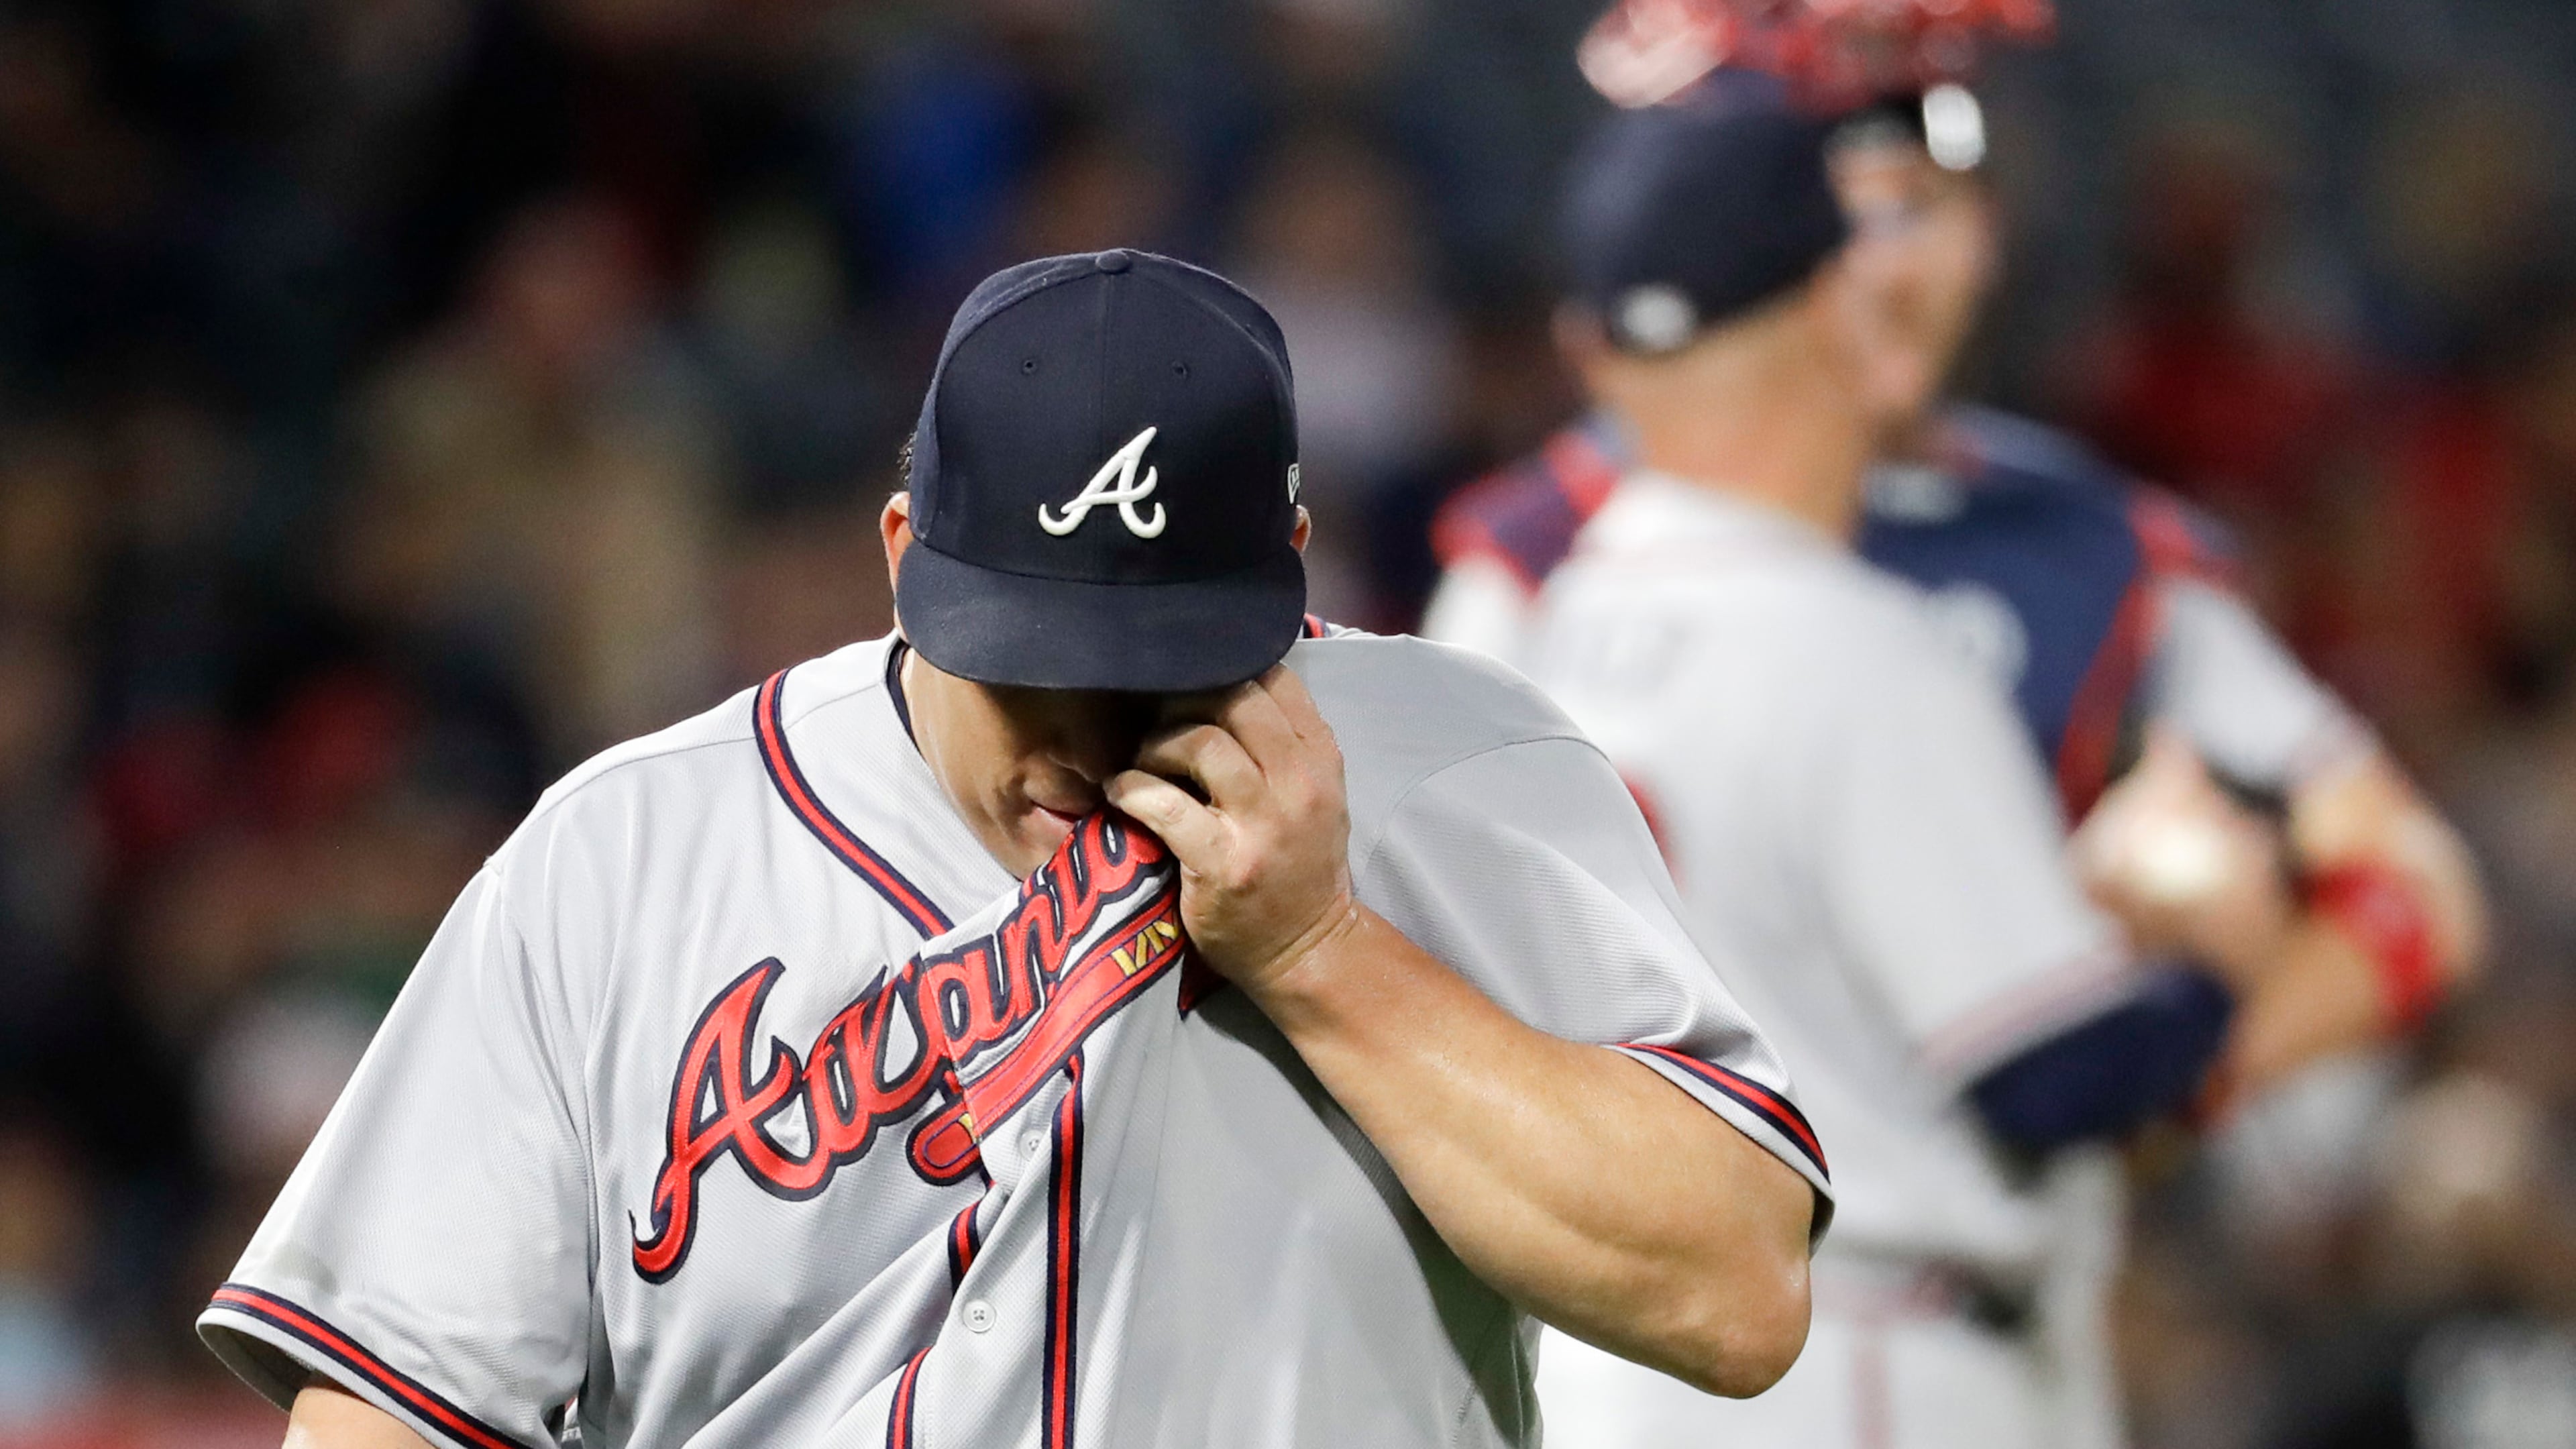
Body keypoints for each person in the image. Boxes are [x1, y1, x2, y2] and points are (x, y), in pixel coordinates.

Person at [196, 249, 1828, 1449]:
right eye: (1027, 657)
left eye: (1162, 662)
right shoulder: (628, 859)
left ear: (1292, 575)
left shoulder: (1468, 774)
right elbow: (393, 1409)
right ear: (904, 553)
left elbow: (1735, 1296)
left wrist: (1330, 957)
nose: (1083, 730)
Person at [1473, 90, 2474, 1449]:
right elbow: (2056, 1075)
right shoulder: (1858, 645)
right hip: (1865, 1350)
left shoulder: (1545, 600)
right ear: (1834, 301)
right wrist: (2212, 952)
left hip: (1593, 1345)